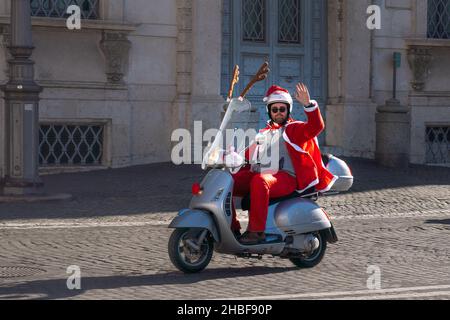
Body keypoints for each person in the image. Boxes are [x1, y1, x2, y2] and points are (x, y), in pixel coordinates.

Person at [231, 83, 337, 245]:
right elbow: (247, 155)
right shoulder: (263, 133)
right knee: (229, 181)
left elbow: (316, 127)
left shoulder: (293, 129)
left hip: (286, 177)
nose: (279, 113)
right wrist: (229, 156)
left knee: (260, 181)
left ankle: (256, 232)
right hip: (264, 173)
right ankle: (232, 228)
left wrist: (309, 105)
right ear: (269, 111)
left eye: (282, 109)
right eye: (275, 109)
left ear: (288, 110)